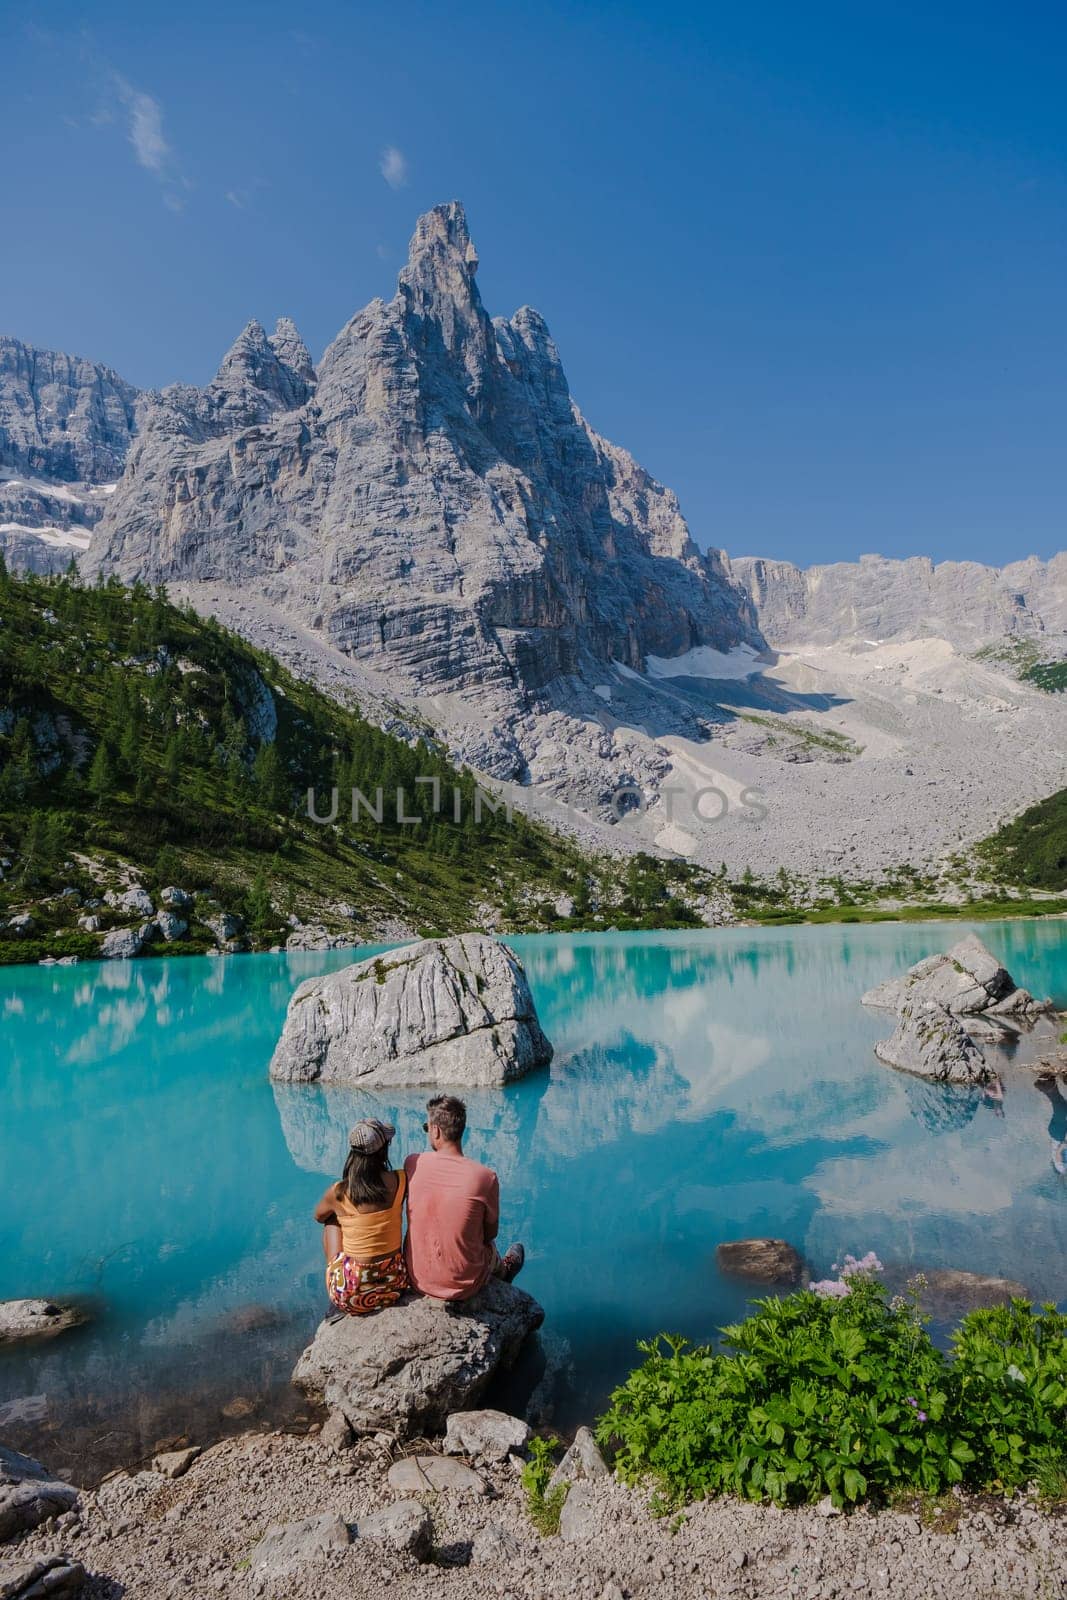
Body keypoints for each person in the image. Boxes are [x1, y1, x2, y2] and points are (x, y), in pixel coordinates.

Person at [404, 1095, 524, 1301]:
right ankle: (503, 1271)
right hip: (464, 1285)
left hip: (417, 1279)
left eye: (427, 1127)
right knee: (487, 1246)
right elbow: (489, 1234)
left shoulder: (412, 1163)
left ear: (435, 1130)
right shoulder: (485, 1177)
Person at [314, 1118, 410, 1315]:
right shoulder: (401, 1180)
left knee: (331, 1220)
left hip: (351, 1296)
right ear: (384, 1149)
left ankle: (339, 1280)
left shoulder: (339, 1192)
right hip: (394, 1287)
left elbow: (318, 1216)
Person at [1035, 1074, 1067, 1176]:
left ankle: (1046, 1084)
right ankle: (1048, 1083)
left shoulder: (1062, 1169)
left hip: (1059, 1134)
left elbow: (1058, 1155)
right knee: (1061, 1105)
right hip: (1058, 1134)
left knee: (1061, 1108)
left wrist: (1064, 1143)